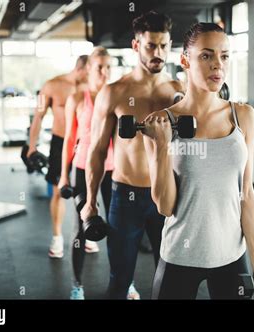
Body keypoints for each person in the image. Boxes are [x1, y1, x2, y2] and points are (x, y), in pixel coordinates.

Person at [142, 22, 254, 299]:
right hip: (179, 256)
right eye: (206, 56)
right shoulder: (162, 123)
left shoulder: (243, 116)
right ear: (185, 60)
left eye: (224, 55)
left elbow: (246, 194)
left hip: (232, 256)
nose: (217, 65)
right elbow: (165, 206)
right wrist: (161, 145)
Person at [80, 11, 184, 299]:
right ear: (136, 45)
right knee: (119, 281)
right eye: (151, 46)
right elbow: (97, 150)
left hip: (169, 196)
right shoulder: (114, 92)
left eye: (164, 46)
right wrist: (90, 201)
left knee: (173, 281)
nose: (158, 53)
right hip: (125, 197)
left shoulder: (179, 92)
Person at [27, 56, 88, 258]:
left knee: (85, 193)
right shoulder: (52, 85)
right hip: (60, 142)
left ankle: (85, 234)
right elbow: (38, 116)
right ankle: (57, 237)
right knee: (58, 190)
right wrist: (32, 146)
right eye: (89, 72)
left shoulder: (91, 87)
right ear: (80, 69)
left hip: (84, 143)